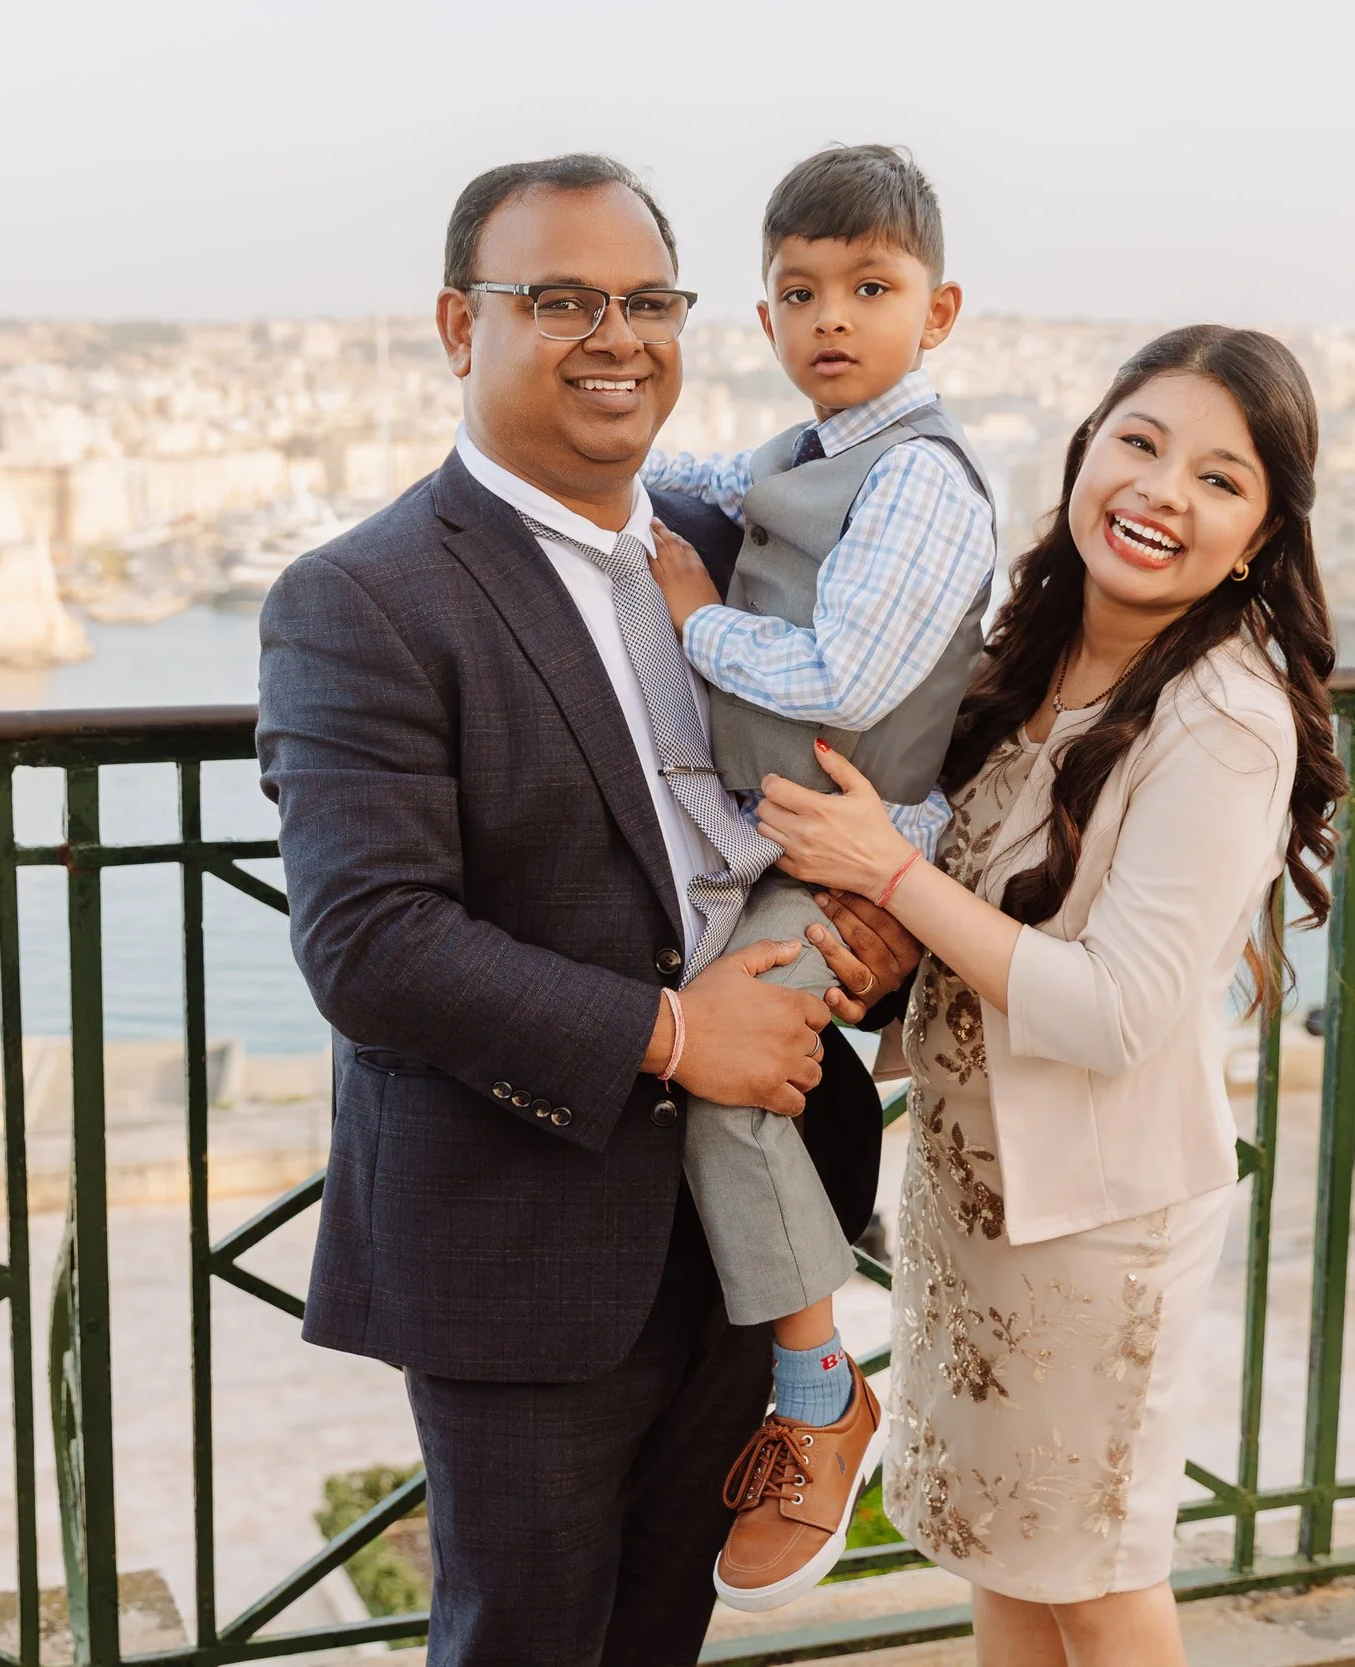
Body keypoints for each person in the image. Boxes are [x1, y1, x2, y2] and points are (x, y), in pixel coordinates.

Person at [256, 154, 922, 1667]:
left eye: (645, 300)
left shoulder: (734, 543)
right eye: (560, 299)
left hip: (749, 1216)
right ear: (457, 323)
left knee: (660, 1635)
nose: (615, 335)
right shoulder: (357, 598)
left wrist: (871, 946)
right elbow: (370, 940)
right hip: (526, 1236)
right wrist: (681, 1032)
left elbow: (843, 767)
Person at [755, 325, 1346, 1667]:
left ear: (1257, 536)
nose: (1161, 493)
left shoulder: (1224, 716)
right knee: (1000, 1554)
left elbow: (1116, 1009)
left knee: (1094, 1575)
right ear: (1086, 455)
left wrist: (892, 877)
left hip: (1097, 1227)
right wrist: (882, 964)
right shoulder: (1026, 654)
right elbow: (974, 931)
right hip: (971, 1202)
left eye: (1219, 478)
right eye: (1139, 444)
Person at [635, 142, 998, 1610]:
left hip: (845, 854)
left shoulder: (920, 483)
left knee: (727, 1076)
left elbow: (846, 673)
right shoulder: (803, 453)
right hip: (771, 844)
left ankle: (817, 1387)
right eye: (798, 291)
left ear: (939, 309)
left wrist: (694, 614)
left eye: (869, 287)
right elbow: (682, 473)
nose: (831, 317)